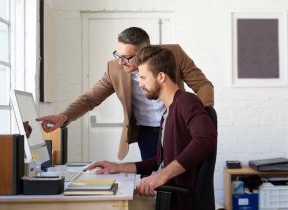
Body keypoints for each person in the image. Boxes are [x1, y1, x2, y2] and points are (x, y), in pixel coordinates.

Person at [36, 27, 214, 160]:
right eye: (117, 54)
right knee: (152, 184)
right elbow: (90, 98)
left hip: (177, 129)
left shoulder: (173, 54)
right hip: (147, 134)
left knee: (184, 180)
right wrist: (64, 116)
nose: (121, 62)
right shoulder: (115, 68)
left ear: (144, 52)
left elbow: (203, 85)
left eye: (127, 57)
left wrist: (198, 118)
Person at [87, 46, 217, 210]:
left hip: (179, 201)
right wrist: (117, 167)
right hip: (168, 196)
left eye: (143, 77)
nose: (140, 84)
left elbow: (206, 139)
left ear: (161, 76)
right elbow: (158, 161)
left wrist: (162, 176)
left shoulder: (186, 102)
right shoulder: (167, 113)